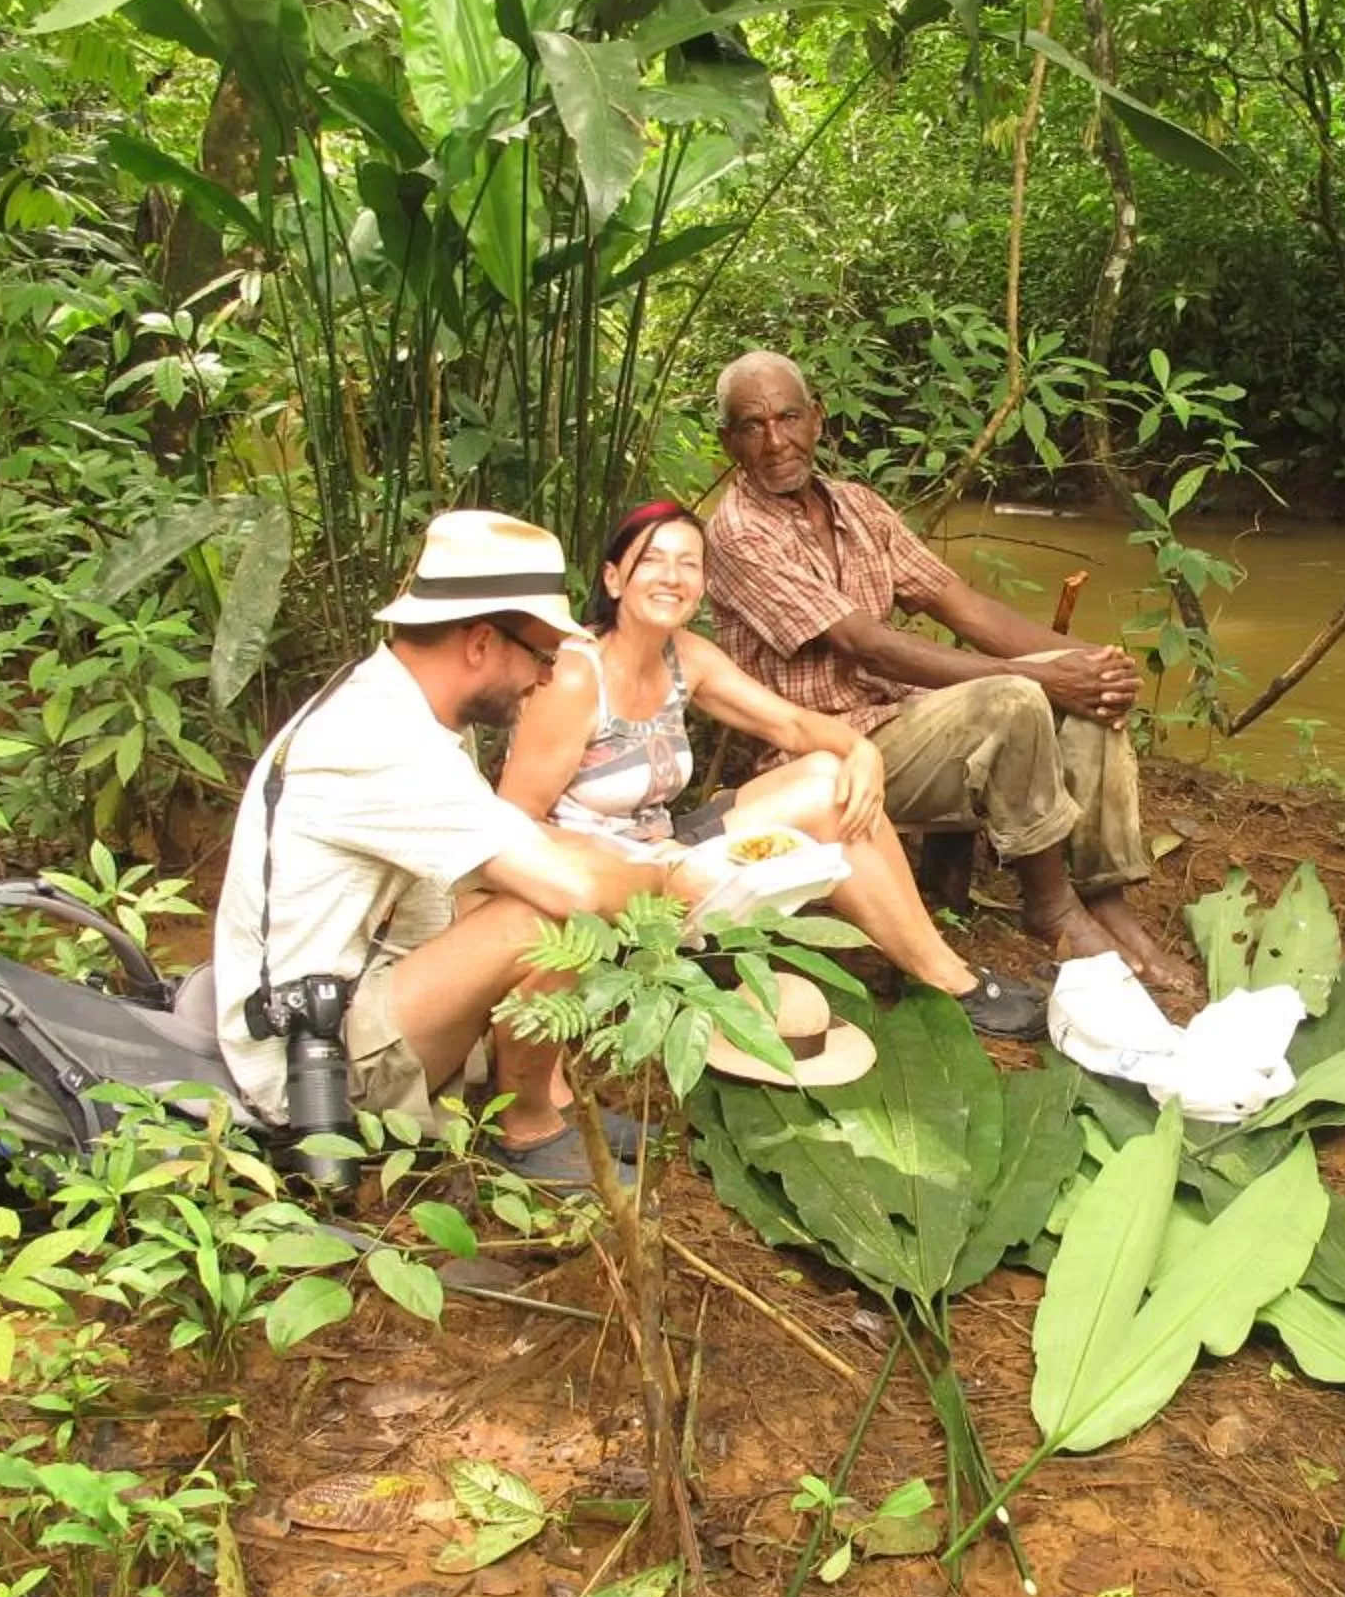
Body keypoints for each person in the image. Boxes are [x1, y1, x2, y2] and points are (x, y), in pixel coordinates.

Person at [211, 511, 694, 1187]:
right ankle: (524, 1130)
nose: (548, 679)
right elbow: (572, 891)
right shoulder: (380, 740)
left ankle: (542, 1096)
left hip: (360, 990)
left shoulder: (407, 709)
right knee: (548, 916)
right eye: (543, 657)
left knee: (538, 888)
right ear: (478, 643)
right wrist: (684, 881)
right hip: (304, 1063)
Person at [700, 349, 1193, 988]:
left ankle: (1105, 897)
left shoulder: (859, 507)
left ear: (817, 420)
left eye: (788, 418)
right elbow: (866, 644)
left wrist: (1085, 663)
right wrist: (1043, 679)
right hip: (829, 757)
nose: (774, 441)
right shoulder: (739, 533)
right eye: (751, 426)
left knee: (1084, 691)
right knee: (1012, 698)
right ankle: (1050, 906)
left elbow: (964, 608)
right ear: (728, 442)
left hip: (904, 721)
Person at [493, 501, 1045, 1037]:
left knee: (830, 778)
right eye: (652, 560)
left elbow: (793, 726)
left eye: (688, 563)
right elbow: (512, 827)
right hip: (607, 885)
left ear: (703, 586)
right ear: (614, 579)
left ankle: (941, 973)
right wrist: (625, 861)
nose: (671, 576)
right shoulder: (575, 675)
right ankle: (948, 980)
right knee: (827, 794)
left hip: (668, 852)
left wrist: (862, 752)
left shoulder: (684, 654)